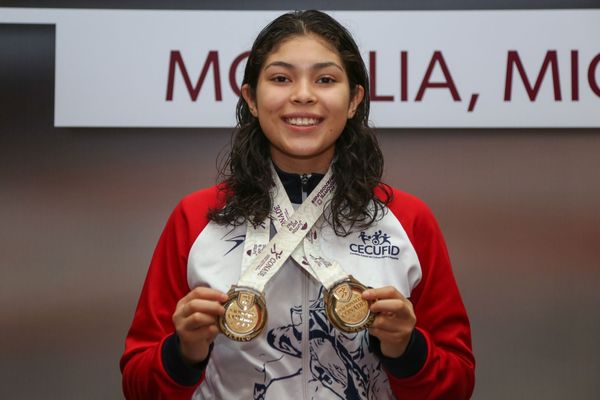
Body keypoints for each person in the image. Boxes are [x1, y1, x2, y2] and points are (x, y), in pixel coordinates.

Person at [120, 10, 475, 400]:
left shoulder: (409, 220)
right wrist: (181, 354)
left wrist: (408, 350)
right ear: (251, 98)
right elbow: (138, 386)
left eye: (325, 79)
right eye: (280, 78)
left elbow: (457, 384)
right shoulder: (196, 217)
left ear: (354, 99)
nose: (303, 94)